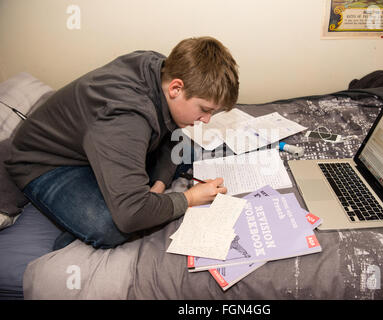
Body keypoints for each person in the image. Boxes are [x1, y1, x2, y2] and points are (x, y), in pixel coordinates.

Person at [5, 36, 239, 250]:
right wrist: (189, 199)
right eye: (205, 110)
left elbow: (170, 130)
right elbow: (132, 214)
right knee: (111, 226)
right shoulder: (125, 119)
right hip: (46, 163)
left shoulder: (159, 67)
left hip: (98, 141)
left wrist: (158, 184)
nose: (206, 120)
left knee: (185, 149)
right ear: (176, 88)